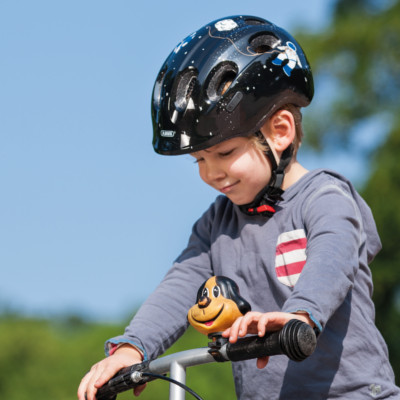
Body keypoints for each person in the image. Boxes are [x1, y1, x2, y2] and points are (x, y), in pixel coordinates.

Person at [78, 15, 400, 399]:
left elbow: (334, 256)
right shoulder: (217, 225)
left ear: (280, 132)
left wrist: (301, 314)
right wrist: (134, 347)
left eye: (224, 153)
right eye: (198, 160)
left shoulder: (325, 198)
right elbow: (181, 285)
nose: (211, 173)